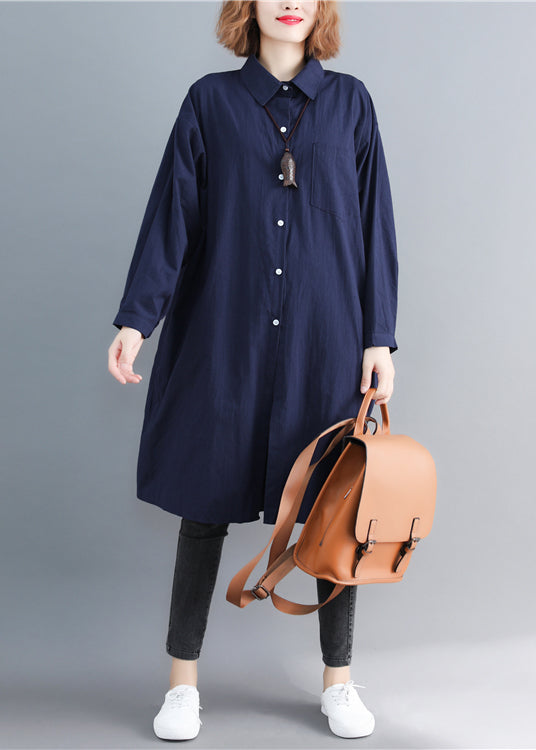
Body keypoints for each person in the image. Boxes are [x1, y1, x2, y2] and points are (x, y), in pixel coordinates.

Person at [108, 0, 398, 742]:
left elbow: (375, 223)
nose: (290, 3)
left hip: (326, 341)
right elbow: (172, 214)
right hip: (224, 337)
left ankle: (339, 683)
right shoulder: (210, 102)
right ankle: (181, 688)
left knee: (334, 506)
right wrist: (138, 320)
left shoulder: (351, 104)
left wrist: (379, 339)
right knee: (202, 506)